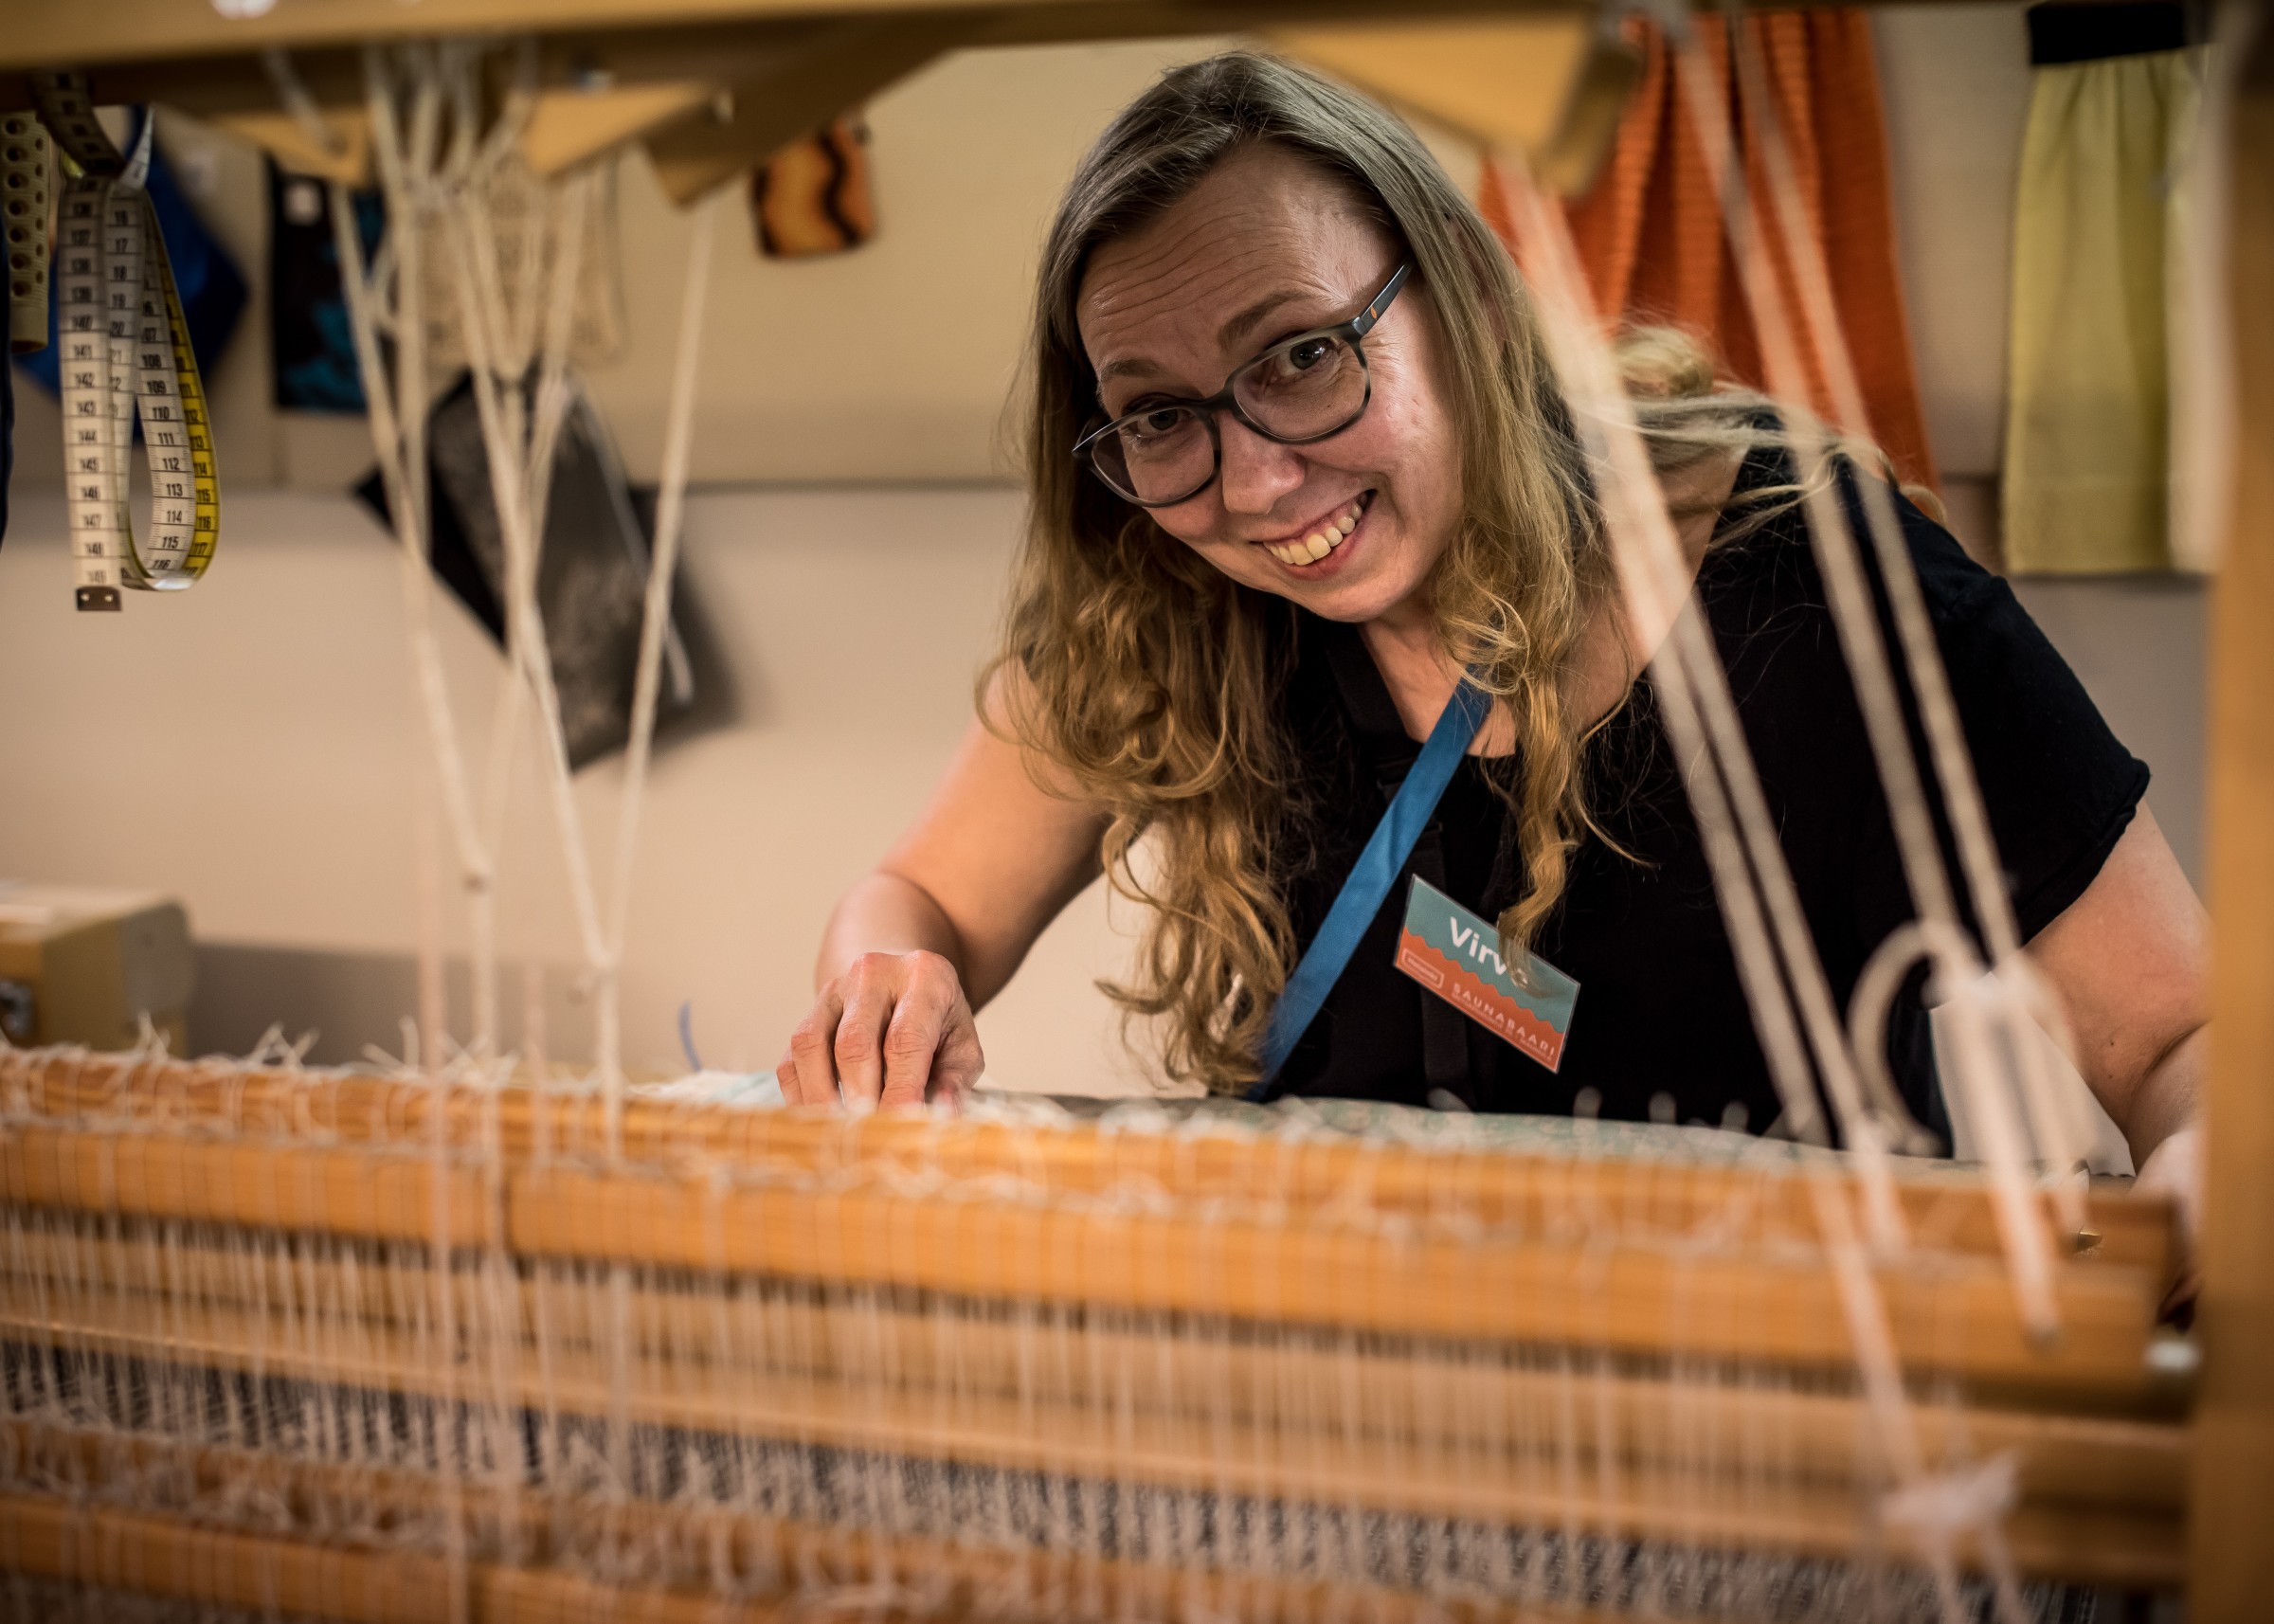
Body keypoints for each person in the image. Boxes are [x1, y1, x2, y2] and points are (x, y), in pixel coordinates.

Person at [774, 52, 2204, 1199]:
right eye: (1160, 416)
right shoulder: (1172, 598)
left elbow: (2181, 1036)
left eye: (1305, 356)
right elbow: (924, 905)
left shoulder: (1824, 592)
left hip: (1781, 1452)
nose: (1260, 481)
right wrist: (884, 985)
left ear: (1462, 297)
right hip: (1365, 1426)